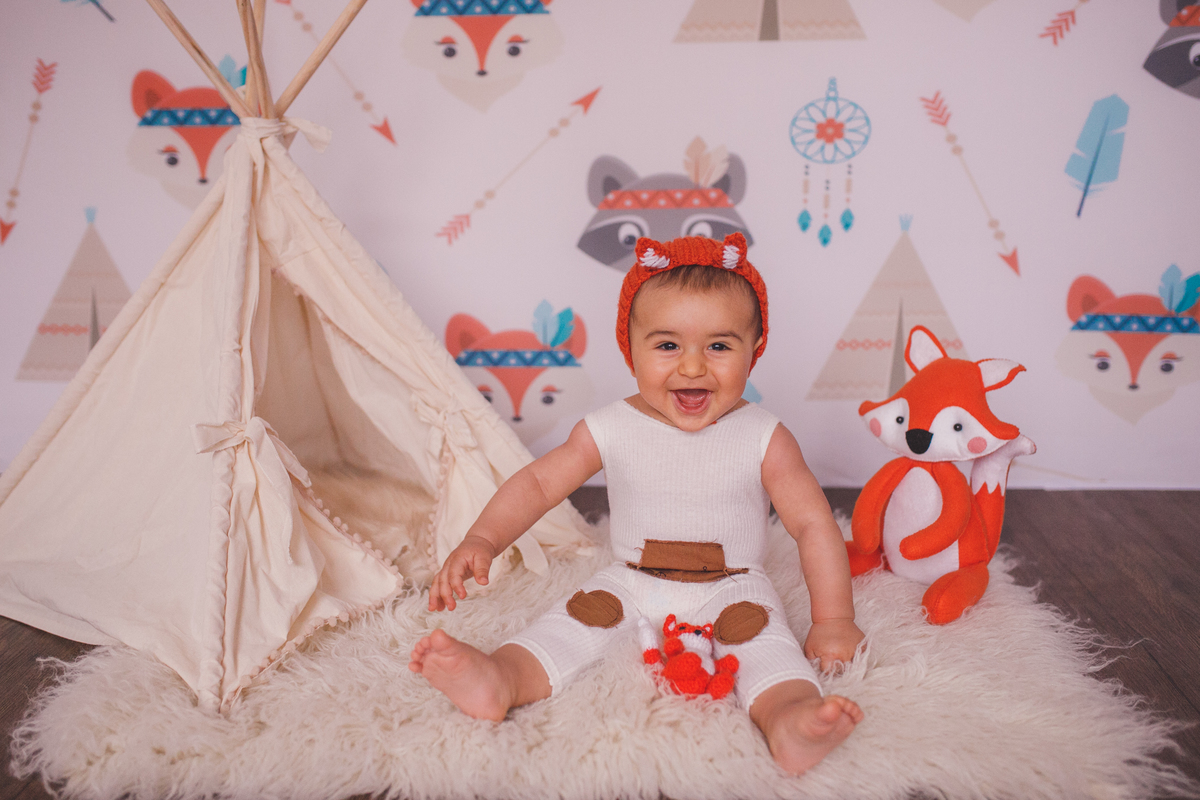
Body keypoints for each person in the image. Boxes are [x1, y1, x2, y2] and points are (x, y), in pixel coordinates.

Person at [410, 232, 865, 774]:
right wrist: (483, 539)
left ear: (754, 350)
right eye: (668, 345)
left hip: (732, 585)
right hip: (630, 578)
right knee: (568, 626)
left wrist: (834, 619)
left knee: (767, 645)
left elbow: (814, 524)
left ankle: (791, 720)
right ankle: (500, 679)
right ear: (631, 350)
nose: (693, 367)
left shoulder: (763, 436)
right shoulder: (611, 427)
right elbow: (536, 485)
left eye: (719, 346)